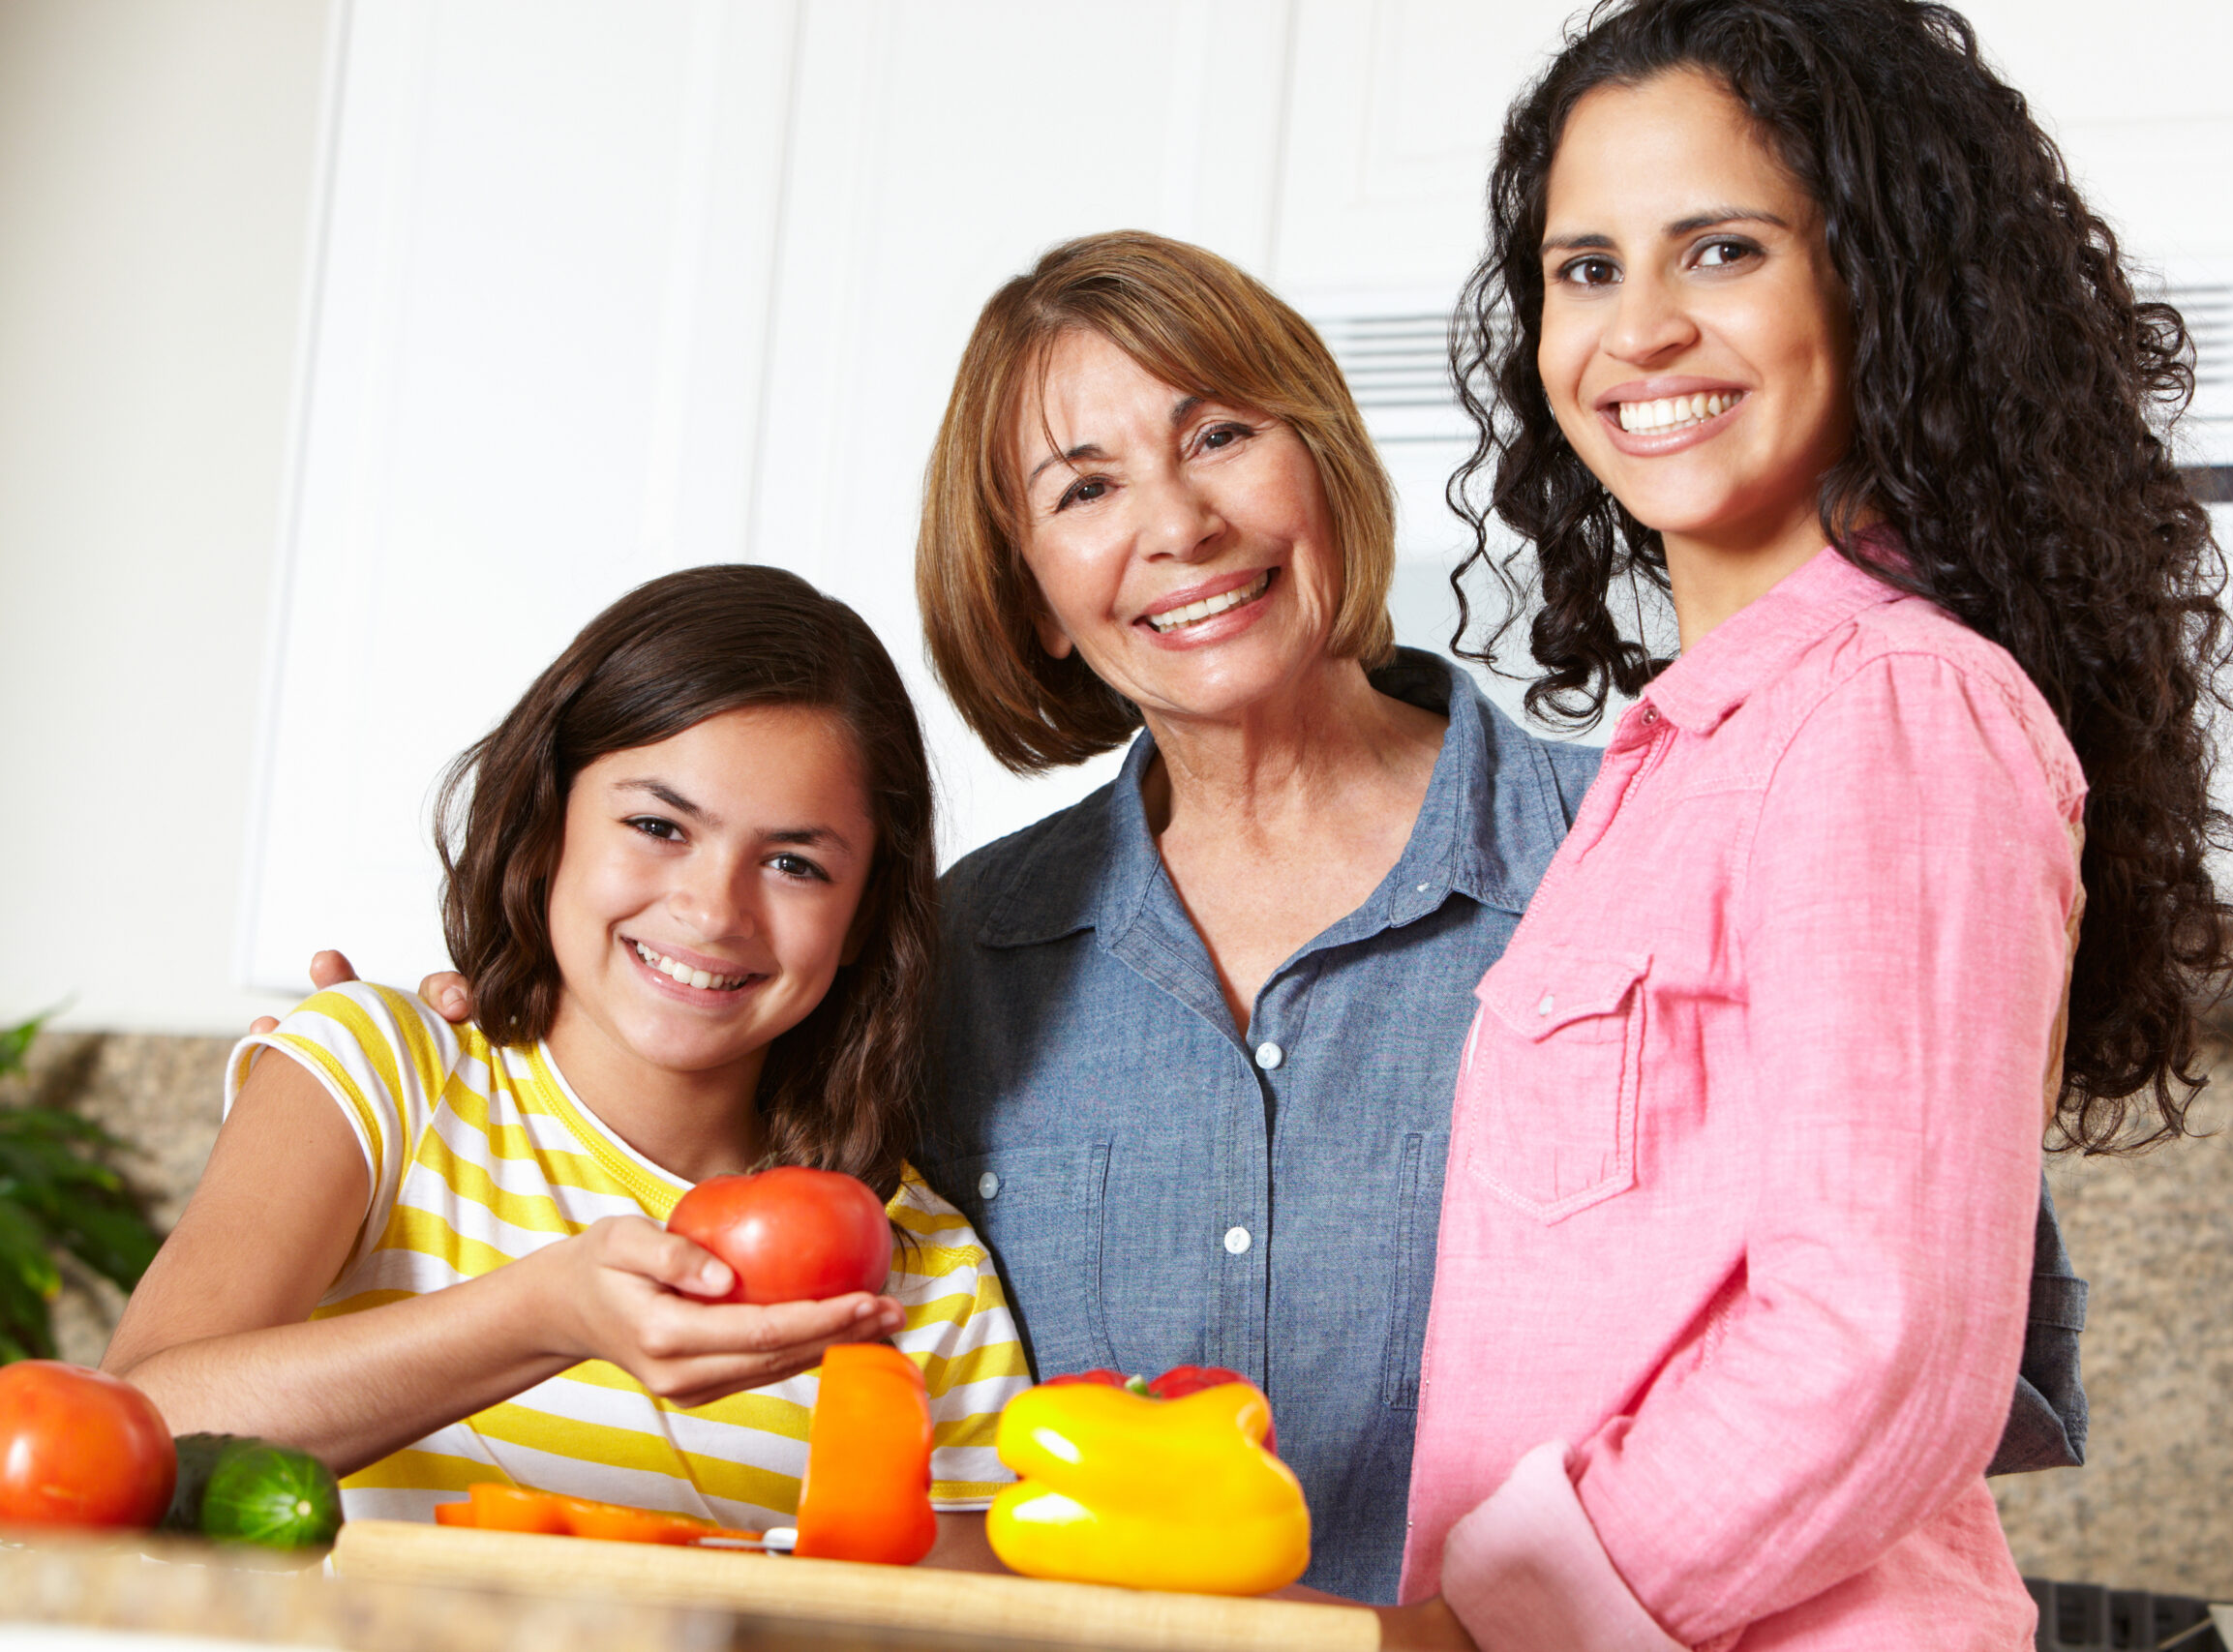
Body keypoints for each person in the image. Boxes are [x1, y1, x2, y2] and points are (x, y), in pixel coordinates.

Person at [263, 228, 2088, 1602]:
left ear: (1318, 467)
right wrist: (463, 1040)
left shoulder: (1644, 848)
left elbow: (1930, 1340)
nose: (1179, 523)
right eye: (1084, 487)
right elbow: (722, 1156)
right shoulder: (959, 961)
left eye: (1220, 435)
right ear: (1037, 595)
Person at [1388, 2, 2233, 1647]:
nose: (1635, 330)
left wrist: (1503, 1624)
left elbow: (1884, 1337)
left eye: (1719, 251)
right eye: (1586, 268)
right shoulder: (1701, 741)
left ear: (1885, 281)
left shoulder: (1893, 708)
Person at [106, 566, 1028, 1548]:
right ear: (547, 824)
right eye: (657, 826)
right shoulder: (382, 1077)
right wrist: (540, 1316)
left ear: (859, 921)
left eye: (794, 864)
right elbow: (131, 1431)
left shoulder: (919, 1275)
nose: (714, 912)